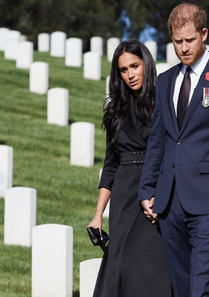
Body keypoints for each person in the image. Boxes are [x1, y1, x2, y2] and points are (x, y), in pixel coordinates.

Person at [138, 3, 209, 297]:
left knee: (200, 286)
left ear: (204, 34)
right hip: (169, 200)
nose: (184, 48)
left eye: (190, 40)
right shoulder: (165, 81)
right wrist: (146, 189)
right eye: (178, 41)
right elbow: (158, 141)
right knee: (180, 286)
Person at [88, 39, 172, 297]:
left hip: (154, 187)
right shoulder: (115, 111)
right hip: (124, 194)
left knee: (147, 267)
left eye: (134, 66)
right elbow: (110, 165)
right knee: (121, 263)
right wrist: (98, 214)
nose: (130, 74)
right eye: (123, 70)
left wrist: (161, 193)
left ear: (146, 64)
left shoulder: (163, 103)